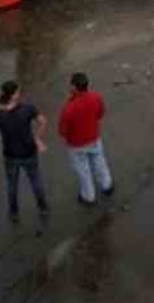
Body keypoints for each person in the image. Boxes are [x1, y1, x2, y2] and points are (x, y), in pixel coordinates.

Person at [0, 81, 50, 227]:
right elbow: (43, 122)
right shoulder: (28, 109)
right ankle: (43, 208)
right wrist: (37, 139)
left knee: (12, 185)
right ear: (12, 95)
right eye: (18, 92)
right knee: (36, 181)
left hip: (10, 155)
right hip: (29, 152)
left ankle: (14, 213)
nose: (20, 94)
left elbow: (1, 120)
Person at [58, 72, 114, 206]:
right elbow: (100, 113)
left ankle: (88, 196)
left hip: (76, 145)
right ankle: (107, 185)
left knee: (83, 171)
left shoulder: (68, 108)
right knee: (99, 162)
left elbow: (62, 131)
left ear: (74, 87)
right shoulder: (96, 97)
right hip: (94, 138)